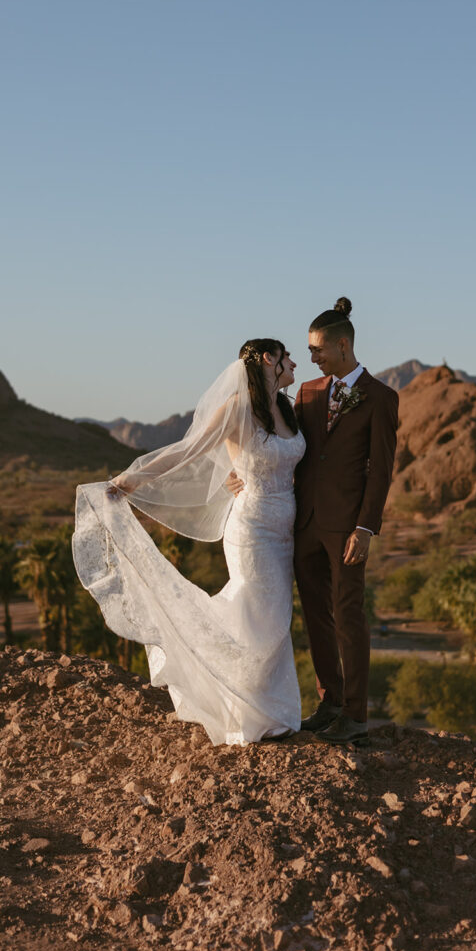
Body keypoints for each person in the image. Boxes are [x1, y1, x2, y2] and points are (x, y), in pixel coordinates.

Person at [72, 339, 305, 746]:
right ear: (269, 359)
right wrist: (130, 480)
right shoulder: (236, 407)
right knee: (258, 621)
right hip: (252, 530)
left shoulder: (286, 409)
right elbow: (186, 451)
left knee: (274, 621)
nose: (295, 363)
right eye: (287, 357)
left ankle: (270, 713)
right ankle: (245, 718)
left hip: (286, 532)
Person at [294, 298, 399, 742]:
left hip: (347, 528)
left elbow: (382, 468)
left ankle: (356, 715)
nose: (312, 357)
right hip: (305, 524)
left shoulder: (381, 398)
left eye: (318, 349)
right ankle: (329, 701)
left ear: (343, 345)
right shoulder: (308, 392)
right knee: (316, 616)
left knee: (347, 614)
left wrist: (365, 528)